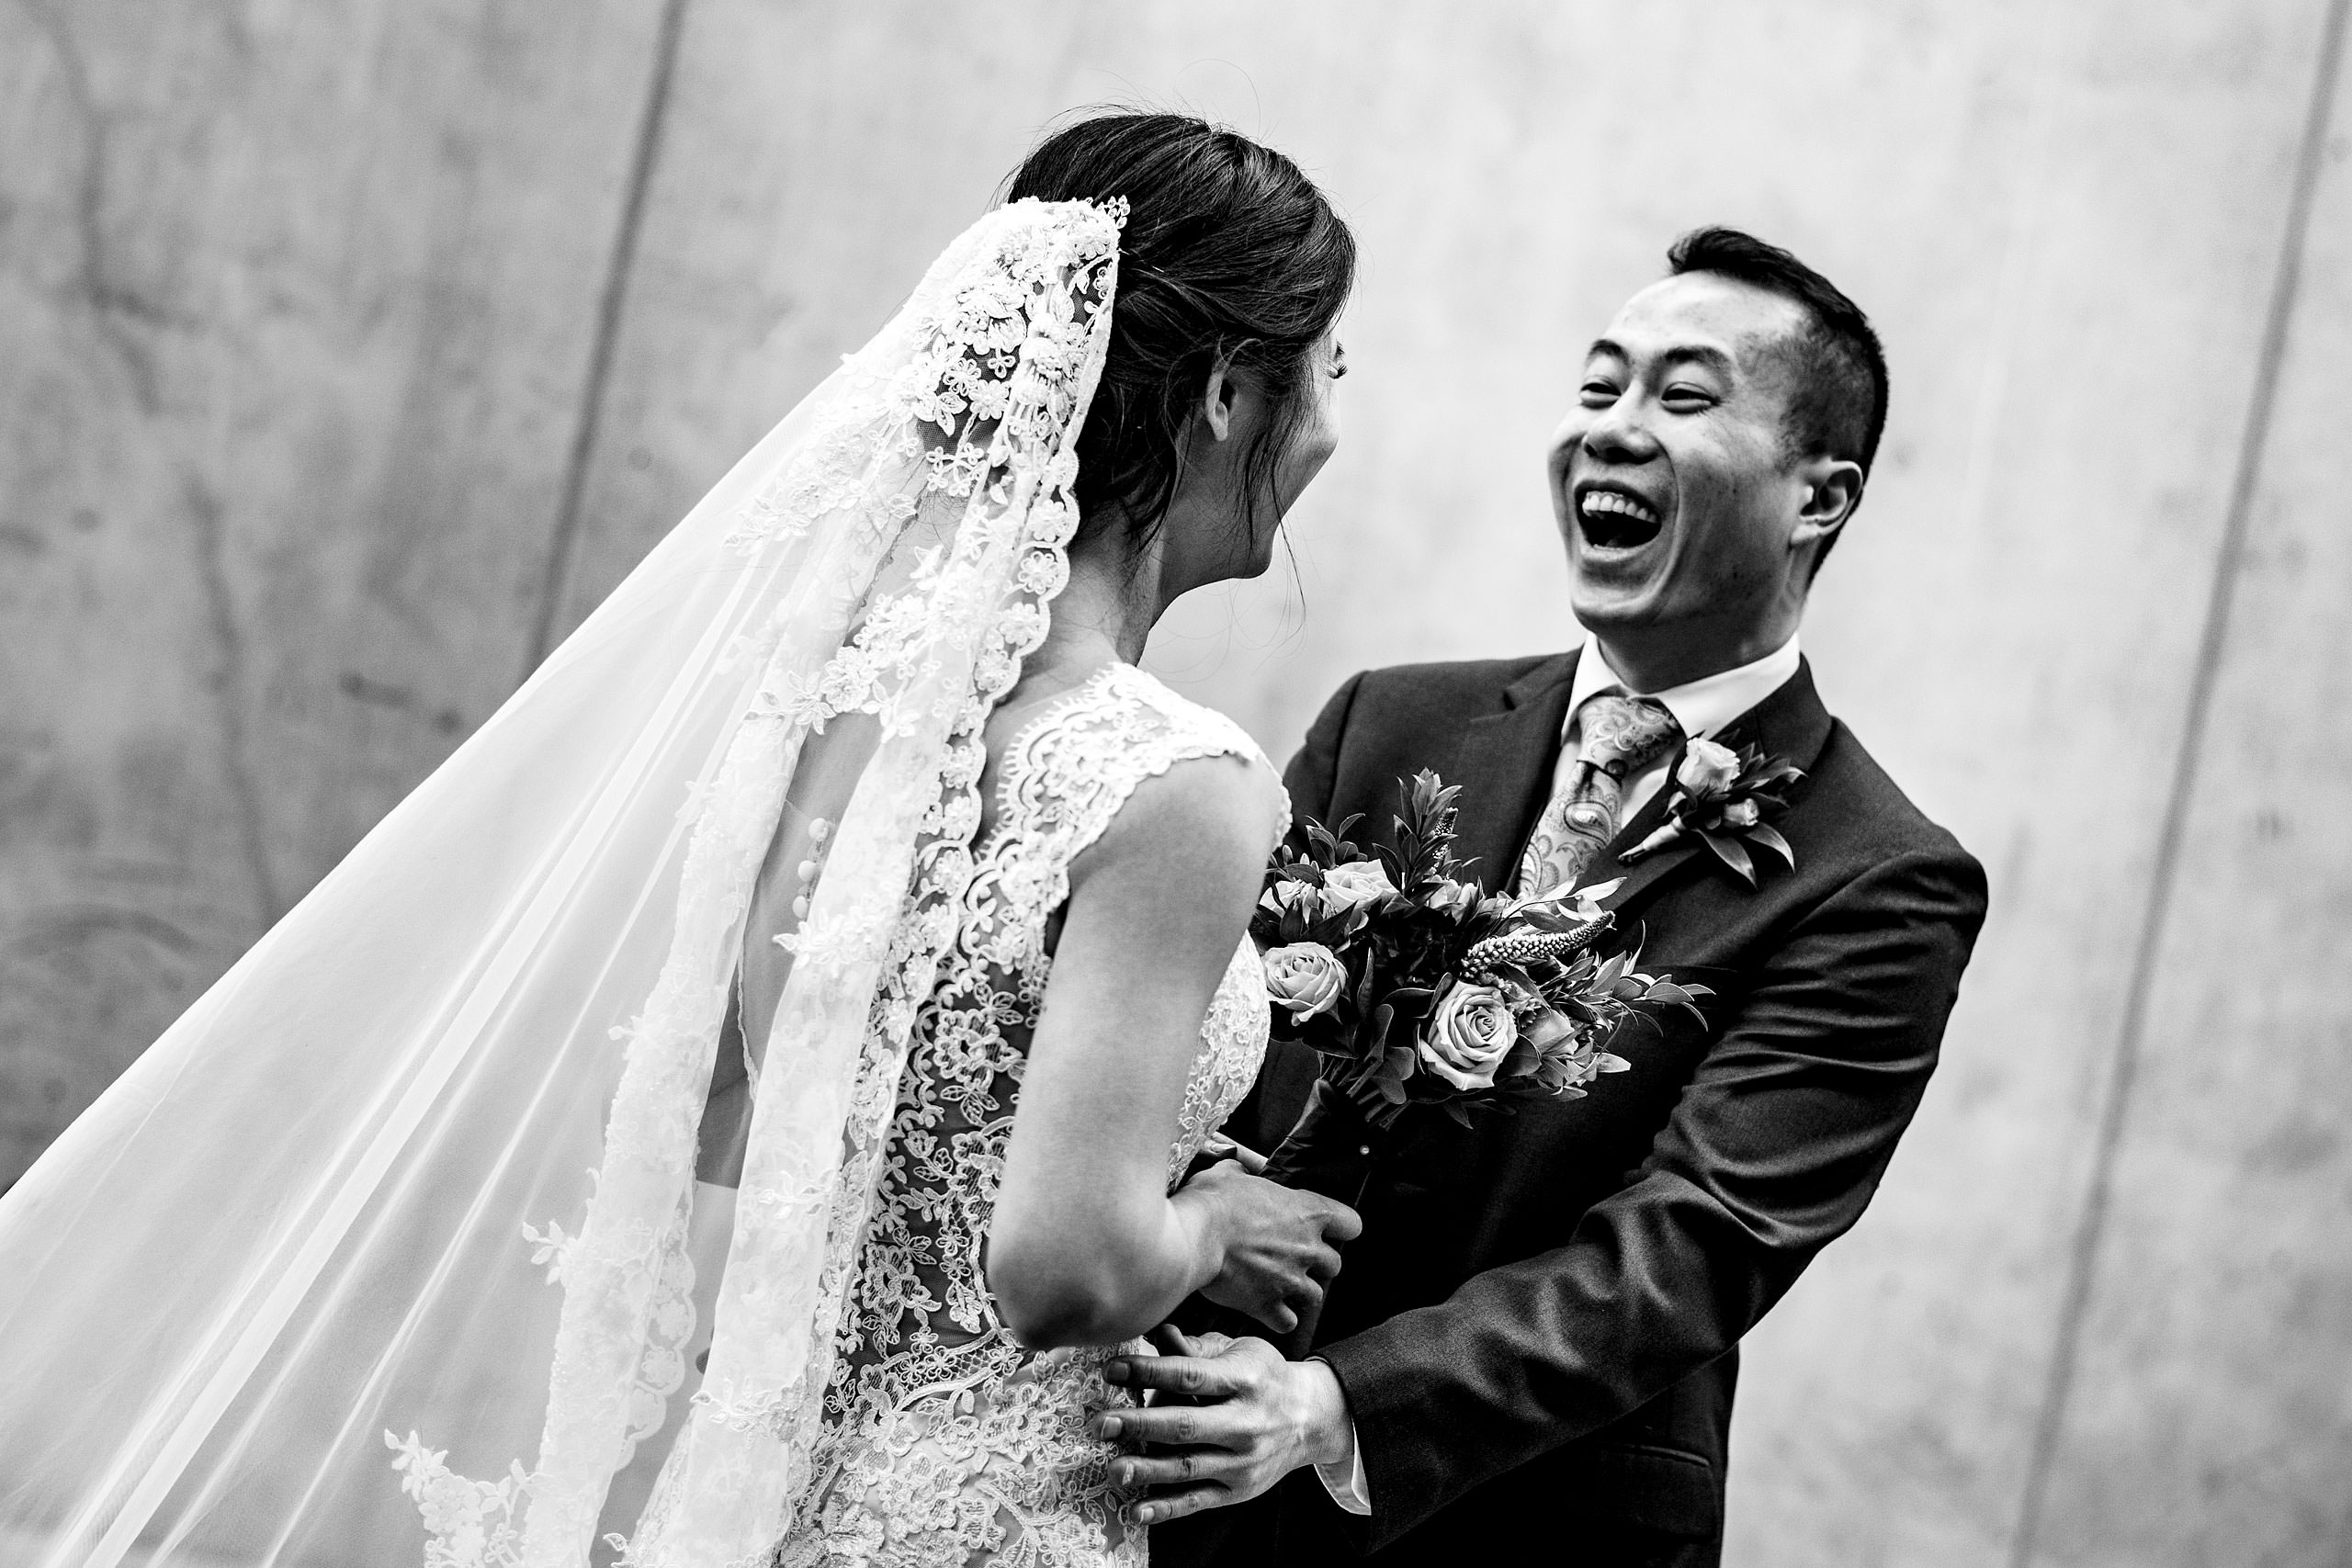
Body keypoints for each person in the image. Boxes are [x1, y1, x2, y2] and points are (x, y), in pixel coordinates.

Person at [0, 113, 1359, 1568]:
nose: (1337, 420)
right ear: (1225, 394)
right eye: (1331, 368)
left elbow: (717, 1115)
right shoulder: (1179, 783)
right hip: (1000, 1523)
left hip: (778, 1494)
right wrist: (1216, 1222)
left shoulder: (850, 733)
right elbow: (1062, 1269)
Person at [1134, 229, 1991, 1567]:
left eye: (1683, 397)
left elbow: (1694, 1245)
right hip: (1195, 1464)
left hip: (1529, 1527)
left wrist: (1334, 1403)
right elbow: (1196, 1030)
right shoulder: (1392, 721)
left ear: (1819, 498)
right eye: (1598, 390)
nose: (1614, 430)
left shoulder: (1881, 876)